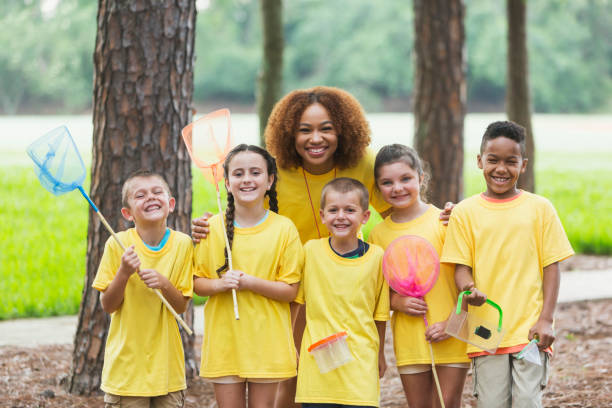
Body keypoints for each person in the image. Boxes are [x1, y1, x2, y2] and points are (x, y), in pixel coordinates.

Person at [441, 121, 574, 408]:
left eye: (510, 162)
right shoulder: (464, 212)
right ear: (479, 161)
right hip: (486, 332)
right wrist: (469, 289)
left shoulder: (540, 209)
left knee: (527, 402)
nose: (501, 169)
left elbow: (552, 266)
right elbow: (460, 266)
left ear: (523, 165)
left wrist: (546, 319)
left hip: (530, 333)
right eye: (493, 160)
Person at [193, 144, 304, 408]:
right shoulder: (211, 228)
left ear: (269, 180)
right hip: (225, 341)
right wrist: (221, 284)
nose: (247, 179)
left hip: (266, 341)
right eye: (238, 174)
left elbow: (291, 290)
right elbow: (197, 283)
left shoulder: (284, 229)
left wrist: (250, 282)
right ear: (227, 183)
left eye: (255, 172)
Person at [368, 144, 469, 408]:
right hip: (410, 340)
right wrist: (397, 302)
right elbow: (375, 292)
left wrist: (453, 323)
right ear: (378, 189)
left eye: (405, 179)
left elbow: (470, 280)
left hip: (452, 336)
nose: (398, 188)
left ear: (421, 178)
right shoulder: (377, 235)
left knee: (446, 404)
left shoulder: (446, 222)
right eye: (387, 182)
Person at [92, 170, 193, 408]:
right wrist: (124, 273)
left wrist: (164, 283)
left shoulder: (183, 244)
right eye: (140, 195)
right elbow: (108, 305)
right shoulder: (117, 244)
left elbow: (181, 306)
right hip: (127, 370)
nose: (150, 197)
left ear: (171, 204)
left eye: (157, 192)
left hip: (167, 370)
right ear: (128, 213)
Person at [295, 177, 389, 408]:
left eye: (349, 210)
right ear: (322, 215)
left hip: (360, 364)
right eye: (333, 210)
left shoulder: (377, 257)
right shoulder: (310, 251)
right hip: (317, 366)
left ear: (364, 216)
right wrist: (290, 348)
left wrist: (380, 354)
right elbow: (295, 303)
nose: (340, 216)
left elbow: (380, 314)